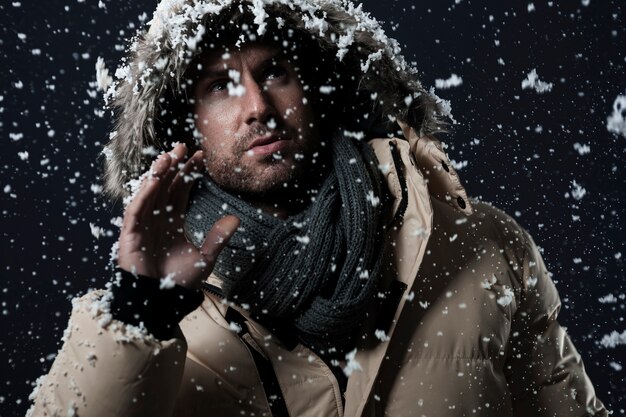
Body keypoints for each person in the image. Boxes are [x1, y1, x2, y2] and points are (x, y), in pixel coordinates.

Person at [28, 1, 607, 416]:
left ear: (320, 85)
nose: (257, 106)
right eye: (219, 86)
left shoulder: (481, 242)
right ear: (186, 127)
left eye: (274, 71)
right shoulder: (161, 304)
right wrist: (140, 309)